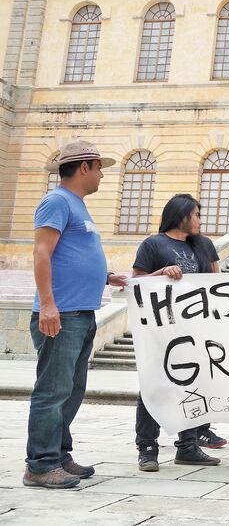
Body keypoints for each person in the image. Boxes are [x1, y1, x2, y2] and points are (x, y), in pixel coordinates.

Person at [25, 141, 127, 489]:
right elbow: (42, 253)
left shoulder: (77, 206)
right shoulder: (56, 201)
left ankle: (59, 455)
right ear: (84, 167)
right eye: (99, 168)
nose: (101, 175)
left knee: (70, 391)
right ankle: (40, 465)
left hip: (82, 314)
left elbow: (72, 256)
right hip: (62, 314)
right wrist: (48, 305)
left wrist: (105, 276)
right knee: (52, 392)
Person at [132, 194, 228, 471]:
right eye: (196, 214)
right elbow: (135, 283)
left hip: (194, 331)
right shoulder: (153, 244)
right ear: (181, 214)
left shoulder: (204, 246)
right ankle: (147, 448)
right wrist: (161, 273)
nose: (200, 219)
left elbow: (216, 285)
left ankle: (188, 446)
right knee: (152, 387)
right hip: (159, 332)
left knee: (192, 386)